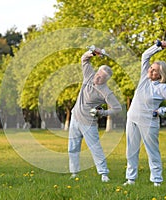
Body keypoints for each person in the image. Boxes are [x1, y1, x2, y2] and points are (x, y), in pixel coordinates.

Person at [123, 40, 166, 187]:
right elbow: (145, 56)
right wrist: (158, 47)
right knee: (131, 150)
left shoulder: (162, 88)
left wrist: (162, 110)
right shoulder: (144, 79)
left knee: (152, 152)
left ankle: (157, 181)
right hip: (132, 118)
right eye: (151, 68)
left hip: (149, 121)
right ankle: (130, 179)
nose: (150, 71)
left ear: (160, 74)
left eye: (155, 70)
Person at [68, 47, 122, 182]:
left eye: (102, 77)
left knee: (95, 149)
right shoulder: (89, 75)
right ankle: (74, 173)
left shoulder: (105, 91)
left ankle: (104, 174)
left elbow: (117, 108)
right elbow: (84, 59)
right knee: (72, 148)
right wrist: (93, 53)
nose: (98, 78)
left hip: (88, 123)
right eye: (98, 74)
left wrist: (101, 113)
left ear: (106, 80)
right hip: (75, 117)